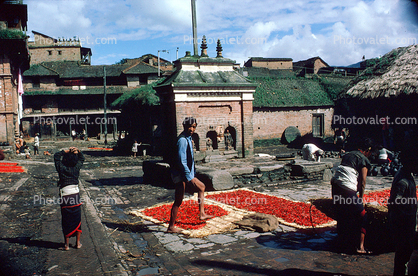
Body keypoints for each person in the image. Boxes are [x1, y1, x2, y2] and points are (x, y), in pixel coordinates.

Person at [167, 117, 213, 233]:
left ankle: (202, 213)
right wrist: (189, 178)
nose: (192, 129)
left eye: (194, 127)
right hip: (180, 173)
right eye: (190, 126)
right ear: (184, 126)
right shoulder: (182, 140)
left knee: (201, 187)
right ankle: (171, 227)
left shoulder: (188, 138)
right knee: (178, 199)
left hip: (185, 173)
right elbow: (182, 161)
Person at [331, 137, 373, 254]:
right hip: (347, 188)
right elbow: (363, 182)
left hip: (335, 186)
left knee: (343, 213)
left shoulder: (348, 155)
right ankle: (360, 247)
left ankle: (341, 242)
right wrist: (361, 198)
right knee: (363, 216)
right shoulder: (364, 159)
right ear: (367, 150)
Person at [388, 147, 418, 275]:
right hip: (403, 224)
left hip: (408, 221)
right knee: (403, 254)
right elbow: (395, 202)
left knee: (405, 253)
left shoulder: (406, 174)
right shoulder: (402, 181)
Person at [54, 147, 85, 251]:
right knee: (77, 220)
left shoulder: (61, 168)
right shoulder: (76, 169)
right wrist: (78, 151)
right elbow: (82, 159)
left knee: (66, 220)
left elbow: (56, 156)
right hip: (75, 195)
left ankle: (66, 245)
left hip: (65, 196)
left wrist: (65, 151)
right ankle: (77, 243)